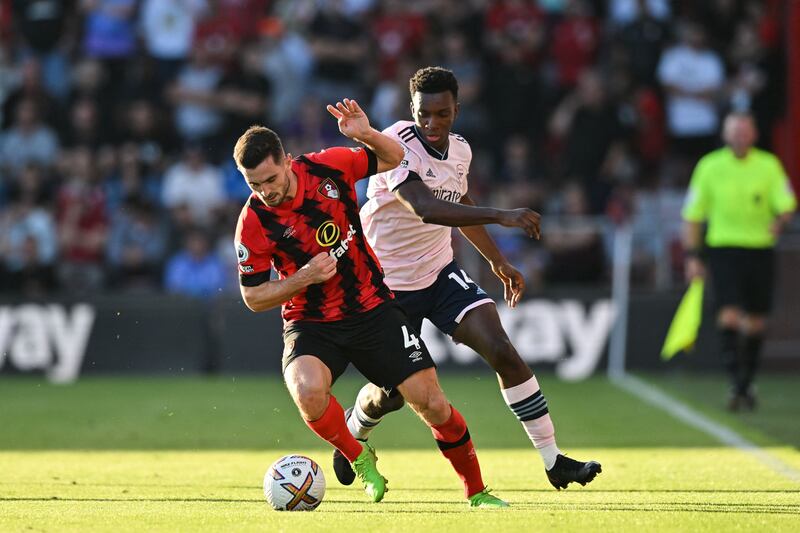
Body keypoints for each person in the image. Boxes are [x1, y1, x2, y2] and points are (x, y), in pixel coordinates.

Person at [333, 67, 601, 490]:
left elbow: (459, 201)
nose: (432, 124)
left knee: (503, 351)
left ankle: (554, 462)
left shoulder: (460, 149)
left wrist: (496, 261)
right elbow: (426, 208)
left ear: (457, 109)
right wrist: (503, 214)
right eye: (424, 114)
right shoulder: (393, 144)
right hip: (385, 287)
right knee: (395, 395)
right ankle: (355, 428)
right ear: (412, 110)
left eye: (442, 114)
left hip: (439, 273)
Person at [233, 99, 508, 508]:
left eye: (270, 178)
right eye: (254, 184)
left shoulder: (329, 166)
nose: (266, 191)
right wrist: (302, 278)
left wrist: (364, 134)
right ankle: (359, 456)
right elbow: (253, 297)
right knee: (307, 392)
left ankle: (477, 492)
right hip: (311, 322)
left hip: (371, 308)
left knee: (431, 402)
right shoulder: (253, 223)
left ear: (288, 161)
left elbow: (396, 157)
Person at [682, 111, 796, 411]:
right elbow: (693, 215)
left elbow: (786, 204)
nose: (740, 136)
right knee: (729, 315)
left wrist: (780, 222)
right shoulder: (709, 166)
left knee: (757, 321)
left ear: (754, 135)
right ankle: (738, 384)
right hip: (723, 250)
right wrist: (693, 255)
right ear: (725, 134)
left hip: (759, 250)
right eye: (734, 130)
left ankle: (747, 381)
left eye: (745, 130)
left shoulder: (769, 166)